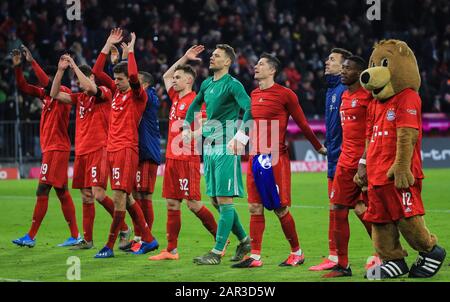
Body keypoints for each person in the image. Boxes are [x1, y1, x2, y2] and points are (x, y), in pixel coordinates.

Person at [232, 53, 327, 268]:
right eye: (257, 64)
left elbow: (302, 123)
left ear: (272, 70)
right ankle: (255, 256)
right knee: (255, 207)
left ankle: (297, 252)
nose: (256, 66)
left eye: (261, 64)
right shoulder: (254, 94)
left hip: (275, 159)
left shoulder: (286, 94)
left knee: (280, 208)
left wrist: (318, 146)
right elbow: (249, 121)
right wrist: (240, 139)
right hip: (255, 158)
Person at [49, 54, 131, 250]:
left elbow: (91, 87)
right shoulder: (79, 98)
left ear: (91, 77)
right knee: (86, 195)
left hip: (100, 149)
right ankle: (88, 240)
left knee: (99, 194)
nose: (79, 84)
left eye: (81, 80)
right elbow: (54, 94)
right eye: (77, 81)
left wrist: (75, 65)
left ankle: (125, 229)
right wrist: (60, 71)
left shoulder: (103, 92)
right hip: (82, 151)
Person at [91, 28, 158, 258]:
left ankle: (109, 246)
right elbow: (97, 71)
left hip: (126, 149)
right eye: (116, 79)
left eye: (120, 80)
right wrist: (107, 43)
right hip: (112, 149)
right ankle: (149, 240)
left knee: (121, 198)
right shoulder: (116, 93)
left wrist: (130, 52)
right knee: (127, 197)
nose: (116, 83)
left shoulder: (138, 95)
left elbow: (131, 76)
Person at [182, 44, 251, 265]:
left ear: (228, 62)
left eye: (217, 56)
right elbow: (194, 105)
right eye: (212, 55)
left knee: (224, 199)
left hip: (226, 147)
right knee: (215, 200)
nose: (212, 58)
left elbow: (249, 108)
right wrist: (186, 126)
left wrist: (241, 136)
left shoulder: (233, 85)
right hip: (209, 147)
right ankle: (244, 240)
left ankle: (217, 252)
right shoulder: (207, 83)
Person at [149, 45, 219, 261]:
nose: (174, 79)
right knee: (172, 203)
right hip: (171, 158)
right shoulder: (176, 97)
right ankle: (171, 250)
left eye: (179, 77)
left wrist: (193, 134)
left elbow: (208, 124)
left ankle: (221, 238)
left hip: (187, 158)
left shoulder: (196, 101)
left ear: (189, 81)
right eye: (176, 77)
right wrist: (184, 58)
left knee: (193, 204)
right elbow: (166, 74)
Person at [11, 46, 81, 248]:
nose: (45, 86)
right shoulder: (46, 96)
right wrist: (18, 67)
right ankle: (75, 235)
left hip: (56, 149)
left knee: (42, 189)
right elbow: (24, 86)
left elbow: (48, 83)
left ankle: (31, 236)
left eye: (51, 79)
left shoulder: (64, 93)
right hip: (51, 149)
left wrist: (32, 61)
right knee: (61, 192)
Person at [322, 56, 380, 278]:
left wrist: (364, 161)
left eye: (348, 68)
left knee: (372, 213)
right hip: (344, 163)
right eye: (342, 68)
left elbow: (371, 133)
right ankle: (343, 265)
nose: (343, 72)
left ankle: (384, 256)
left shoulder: (369, 97)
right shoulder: (345, 95)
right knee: (337, 208)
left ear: (359, 72)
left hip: (365, 163)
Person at [309, 48, 352, 271]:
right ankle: (335, 258)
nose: (327, 62)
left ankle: (382, 253)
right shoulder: (332, 90)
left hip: (348, 160)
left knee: (362, 208)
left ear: (344, 66)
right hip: (333, 159)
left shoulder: (346, 90)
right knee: (335, 208)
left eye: (332, 60)